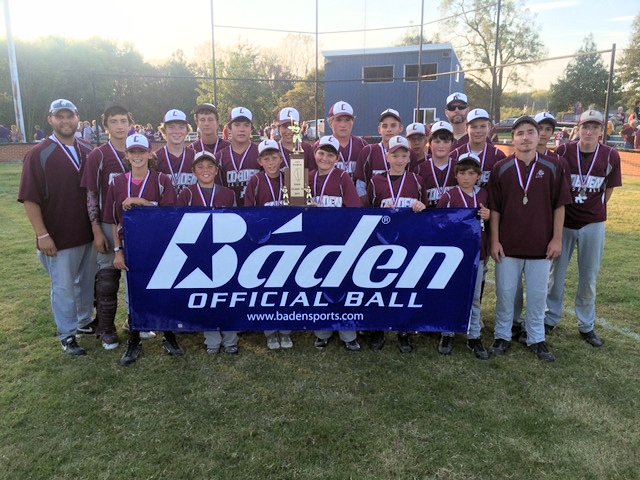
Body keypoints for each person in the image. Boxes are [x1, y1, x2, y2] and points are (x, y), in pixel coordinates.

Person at [488, 116, 571, 362]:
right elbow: (495, 209)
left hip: (541, 244)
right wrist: (495, 241)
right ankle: (502, 335)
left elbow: (559, 206)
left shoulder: (553, 167)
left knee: (537, 295)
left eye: (530, 132)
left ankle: (536, 337)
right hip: (508, 245)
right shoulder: (501, 169)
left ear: (539, 137)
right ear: (512, 139)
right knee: (505, 293)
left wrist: (557, 239)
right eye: (520, 133)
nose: (525, 138)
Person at [18, 99, 96, 355]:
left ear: (77, 118)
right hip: (58, 236)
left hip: (87, 233)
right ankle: (67, 334)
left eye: (69, 116)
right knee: (63, 288)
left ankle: (85, 322)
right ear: (50, 119)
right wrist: (42, 234)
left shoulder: (86, 149)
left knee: (86, 284)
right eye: (59, 117)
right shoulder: (39, 153)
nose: (65, 121)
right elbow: (30, 198)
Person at [545, 110, 622, 347]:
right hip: (566, 221)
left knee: (589, 276)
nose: (589, 132)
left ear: (602, 131)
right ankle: (550, 318)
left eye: (595, 127)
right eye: (585, 127)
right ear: (578, 129)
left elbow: (607, 191)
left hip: (593, 223)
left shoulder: (610, 155)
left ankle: (586, 325)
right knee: (555, 275)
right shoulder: (565, 151)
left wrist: (594, 209)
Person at [104, 133, 182, 366]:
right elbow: (111, 220)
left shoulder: (161, 180)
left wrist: (141, 202)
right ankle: (134, 340)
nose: (137, 156)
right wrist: (117, 250)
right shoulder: (117, 183)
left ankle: (169, 336)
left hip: (159, 244)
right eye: (133, 152)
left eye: (142, 151)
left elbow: (169, 214)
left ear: (150, 153)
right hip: (131, 246)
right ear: (126, 155)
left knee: (163, 290)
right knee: (135, 294)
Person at [81, 105, 134, 349]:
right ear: (106, 126)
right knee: (107, 277)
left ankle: (137, 321)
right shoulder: (98, 155)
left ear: (130, 124)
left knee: (138, 274)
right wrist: (96, 229)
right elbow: (92, 194)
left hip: (136, 224)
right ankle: (106, 328)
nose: (120, 125)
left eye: (123, 120)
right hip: (109, 221)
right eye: (114, 121)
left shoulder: (140, 152)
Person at [366, 135, 426, 353]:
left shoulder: (417, 181)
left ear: (409, 157)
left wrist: (421, 206)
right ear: (387, 156)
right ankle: (378, 329)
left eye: (403, 155)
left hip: (408, 242)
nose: (399, 160)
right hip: (381, 243)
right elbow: (368, 212)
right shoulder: (376, 182)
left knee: (405, 286)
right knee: (379, 286)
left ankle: (404, 330)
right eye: (395, 155)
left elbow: (427, 211)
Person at [177, 150, 239, 354]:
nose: (206, 170)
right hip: (198, 252)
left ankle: (230, 339)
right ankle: (211, 338)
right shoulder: (186, 193)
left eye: (210, 166)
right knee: (205, 296)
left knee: (227, 296)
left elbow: (237, 223)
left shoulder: (228, 194)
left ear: (216, 170)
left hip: (224, 250)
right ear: (193, 171)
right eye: (200, 167)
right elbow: (179, 224)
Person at [437, 152, 491, 360]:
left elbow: (492, 219)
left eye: (471, 173)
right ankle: (447, 332)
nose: (466, 177)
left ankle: (474, 335)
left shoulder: (484, 195)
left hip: (477, 253)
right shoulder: (449, 196)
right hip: (454, 255)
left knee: (474, 297)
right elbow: (438, 222)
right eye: (462, 173)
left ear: (478, 175)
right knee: (451, 293)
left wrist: (488, 214)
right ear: (456, 175)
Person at [310, 135, 361, 351]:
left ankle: (347, 334)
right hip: (313, 242)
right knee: (318, 287)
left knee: (343, 287)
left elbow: (354, 209)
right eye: (321, 153)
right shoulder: (307, 177)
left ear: (337, 158)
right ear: (315, 154)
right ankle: (322, 331)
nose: (325, 157)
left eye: (330, 154)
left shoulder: (343, 177)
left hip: (339, 241)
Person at [244, 139, 294, 350]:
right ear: (260, 161)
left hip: (289, 241)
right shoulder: (255, 181)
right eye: (266, 158)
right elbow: (248, 212)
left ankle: (285, 330)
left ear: (281, 158)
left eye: (274, 157)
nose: (271, 162)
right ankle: (270, 331)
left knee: (287, 287)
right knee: (266, 287)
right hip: (265, 243)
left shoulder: (291, 178)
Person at [355, 108, 408, 203]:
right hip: (375, 208)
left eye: (393, 125)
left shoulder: (408, 153)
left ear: (400, 128)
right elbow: (360, 183)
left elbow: (412, 180)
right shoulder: (368, 151)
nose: (389, 129)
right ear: (379, 129)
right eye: (384, 126)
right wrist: (367, 205)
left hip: (402, 208)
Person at [215, 107, 260, 206]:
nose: (241, 129)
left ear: (251, 128)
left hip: (257, 212)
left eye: (246, 125)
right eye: (237, 125)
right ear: (229, 128)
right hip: (229, 213)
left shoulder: (260, 153)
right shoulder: (220, 157)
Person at [451, 108, 506, 188]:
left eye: (483, 126)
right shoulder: (455, 155)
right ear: (466, 128)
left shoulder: (498, 156)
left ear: (489, 127)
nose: (478, 131)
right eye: (474, 127)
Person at [414, 121, 456, 209]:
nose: (441, 145)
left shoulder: (459, 168)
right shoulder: (419, 170)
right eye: (437, 141)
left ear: (452, 143)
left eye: (446, 141)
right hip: (427, 220)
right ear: (430, 143)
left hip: (453, 220)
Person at [155, 109, 196, 195]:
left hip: (190, 207)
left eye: (181, 127)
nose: (177, 131)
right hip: (164, 207)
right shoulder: (155, 158)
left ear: (187, 130)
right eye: (171, 127)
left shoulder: (196, 157)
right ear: (164, 130)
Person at [325, 100, 368, 180]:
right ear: (330, 122)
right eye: (338, 120)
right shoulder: (321, 145)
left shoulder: (362, 145)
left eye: (347, 120)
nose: (343, 125)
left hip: (356, 192)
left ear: (353, 122)